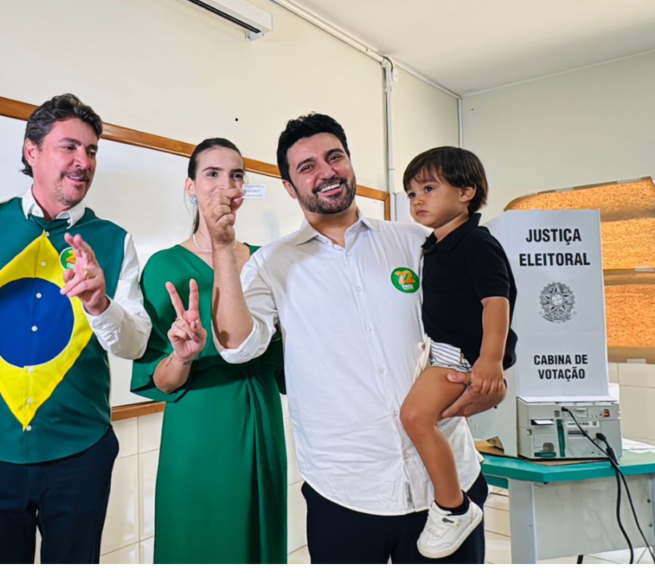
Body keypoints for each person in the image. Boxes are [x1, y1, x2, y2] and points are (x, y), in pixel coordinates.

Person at [202, 113, 506, 564]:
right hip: (345, 492)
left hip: (447, 485)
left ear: (349, 162)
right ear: (290, 187)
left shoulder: (418, 242)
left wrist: (496, 375)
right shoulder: (271, 263)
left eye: (334, 157)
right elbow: (238, 346)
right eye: (307, 167)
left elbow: (482, 302)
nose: (325, 171)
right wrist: (224, 250)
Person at [0, 93, 152, 564]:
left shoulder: (114, 240)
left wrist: (100, 304)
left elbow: (137, 342)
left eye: (92, 150)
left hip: (80, 453)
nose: (83, 162)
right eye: (69, 147)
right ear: (31, 152)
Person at [130, 138, 286, 564]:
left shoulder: (264, 262)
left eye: (236, 175)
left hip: (260, 414)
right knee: (197, 536)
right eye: (211, 174)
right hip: (198, 421)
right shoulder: (164, 267)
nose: (225, 186)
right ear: (190, 187)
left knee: (257, 538)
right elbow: (157, 378)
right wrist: (182, 356)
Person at [399, 146, 518, 558]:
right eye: (411, 193)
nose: (417, 200)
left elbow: (496, 302)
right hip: (440, 350)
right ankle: (453, 497)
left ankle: (454, 508)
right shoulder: (434, 246)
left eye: (429, 189)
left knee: (415, 416)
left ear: (466, 192)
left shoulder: (477, 243)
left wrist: (490, 359)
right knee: (429, 421)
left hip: (459, 354)